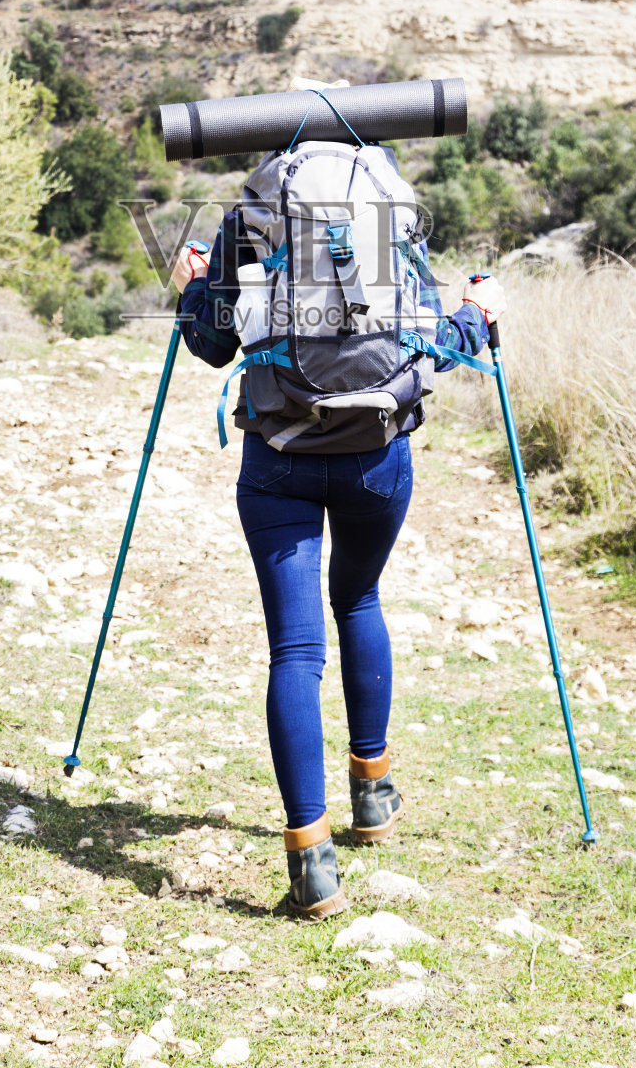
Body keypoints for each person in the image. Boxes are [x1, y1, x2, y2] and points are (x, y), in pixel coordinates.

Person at [170, 189, 506, 920]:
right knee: (357, 597)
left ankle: (311, 865)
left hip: (277, 461)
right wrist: (478, 311)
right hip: (374, 460)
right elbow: (435, 342)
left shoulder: (251, 219)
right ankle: (373, 795)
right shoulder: (390, 210)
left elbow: (212, 345)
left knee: (295, 650)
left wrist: (193, 286)